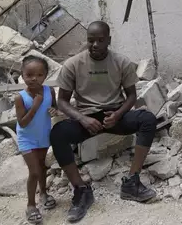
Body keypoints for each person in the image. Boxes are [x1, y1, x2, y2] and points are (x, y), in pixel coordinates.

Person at [50, 21, 157, 223]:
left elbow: (132, 96)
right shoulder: (73, 64)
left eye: (100, 40)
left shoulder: (121, 62)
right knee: (58, 133)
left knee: (147, 120)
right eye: (91, 40)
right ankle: (81, 190)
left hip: (114, 115)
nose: (95, 45)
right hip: (86, 119)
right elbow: (62, 101)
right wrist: (82, 118)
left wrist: (117, 115)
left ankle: (132, 183)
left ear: (109, 40)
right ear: (87, 40)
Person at [15, 55, 58, 224]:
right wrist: (36, 104)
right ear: (22, 75)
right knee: (33, 172)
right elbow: (23, 123)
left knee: (41, 167)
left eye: (40, 75)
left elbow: (53, 105)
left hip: (43, 136)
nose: (34, 78)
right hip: (27, 139)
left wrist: (54, 110)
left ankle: (44, 193)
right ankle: (31, 205)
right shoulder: (20, 97)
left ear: (45, 75)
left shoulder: (49, 91)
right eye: (29, 75)